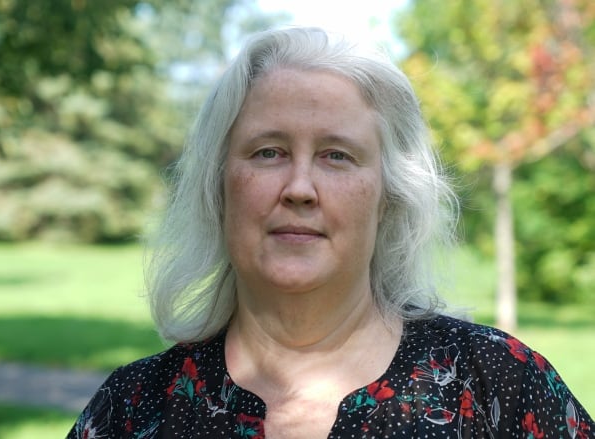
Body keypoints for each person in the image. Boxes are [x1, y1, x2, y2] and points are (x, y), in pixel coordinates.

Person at [66, 27, 593, 438]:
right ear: (218, 184)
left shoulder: (498, 384)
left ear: (390, 195)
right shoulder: (134, 409)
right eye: (268, 151)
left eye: (336, 156)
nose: (299, 187)